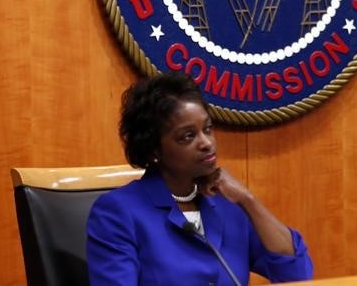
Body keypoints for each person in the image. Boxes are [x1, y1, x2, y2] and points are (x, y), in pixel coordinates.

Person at [87, 73, 313, 285]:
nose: (206, 142)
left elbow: (296, 274)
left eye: (208, 129)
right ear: (153, 150)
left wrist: (248, 200)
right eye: (188, 136)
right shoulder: (118, 213)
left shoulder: (227, 204)